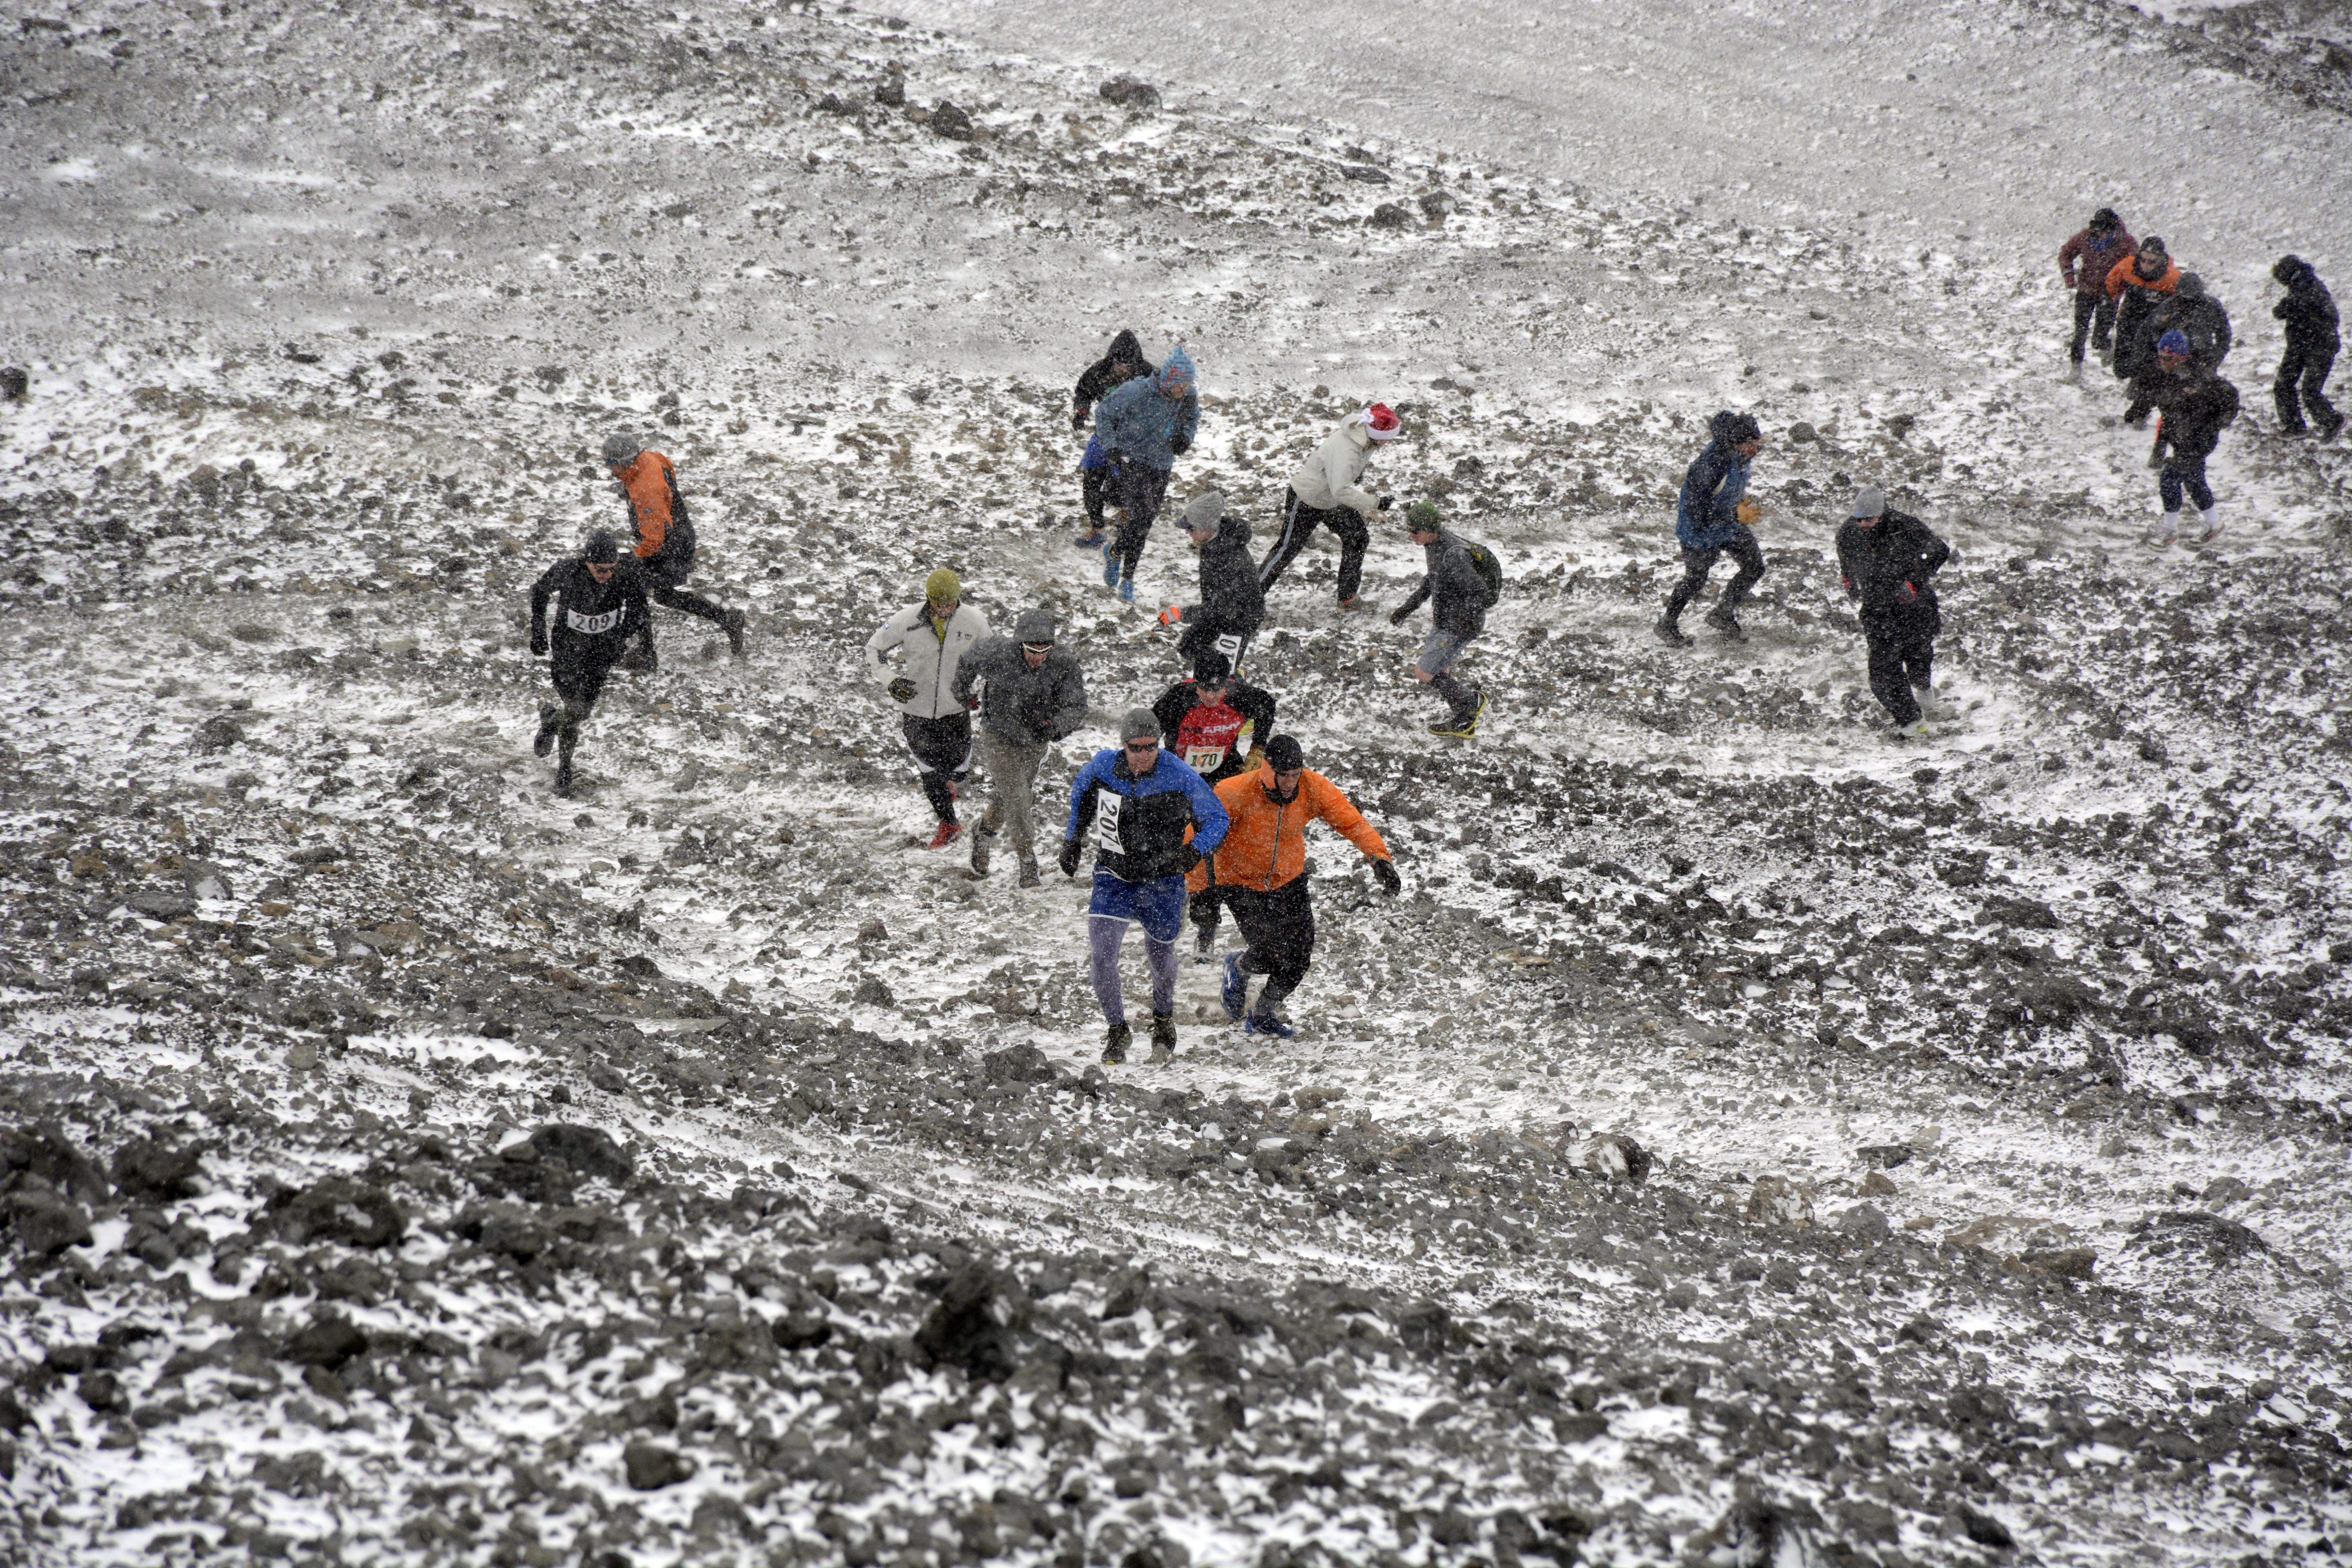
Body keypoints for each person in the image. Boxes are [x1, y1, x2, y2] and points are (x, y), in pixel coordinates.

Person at [1191, 735, 1399, 1039]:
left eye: (1295, 775)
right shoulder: (1234, 792)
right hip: (1240, 882)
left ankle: (1263, 1013)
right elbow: (1195, 838)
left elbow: (1352, 823)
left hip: (1289, 880)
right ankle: (1239, 966)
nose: (1290, 783)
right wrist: (1201, 893)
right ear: (1267, 770)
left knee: (1300, 958)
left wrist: (1379, 859)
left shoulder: (1312, 787)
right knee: (1271, 953)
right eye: (1283, 775)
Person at [1058, 709, 1229, 1065]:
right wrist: (1072, 839)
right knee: (1103, 955)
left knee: (1161, 956)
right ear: (1123, 746)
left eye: (1151, 747)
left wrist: (1192, 854)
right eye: (1136, 748)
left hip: (1162, 879)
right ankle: (1117, 1029)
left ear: (1159, 744)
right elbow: (1080, 790)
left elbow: (1217, 819)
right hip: (1114, 874)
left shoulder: (1180, 774)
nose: (1144, 755)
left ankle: (1164, 1020)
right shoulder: (1104, 766)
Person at [1150, 650, 1278, 960]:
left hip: (1223, 773)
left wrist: (1258, 748)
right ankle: (1172, 903)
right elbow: (1149, 731)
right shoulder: (1176, 700)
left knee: (1212, 848)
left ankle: (1206, 927)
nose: (1210, 696)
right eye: (1204, 689)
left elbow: (1268, 707)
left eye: (1217, 690)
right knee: (1173, 844)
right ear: (1195, 685)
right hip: (1181, 775)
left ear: (1227, 684)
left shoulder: (1242, 697)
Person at [951, 608, 1088, 886]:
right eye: (1030, 650)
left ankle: (984, 831)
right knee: (1018, 796)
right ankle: (1027, 860)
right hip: (998, 733)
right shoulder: (998, 652)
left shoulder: (1063, 663)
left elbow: (1076, 705)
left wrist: (1054, 727)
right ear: (1019, 643)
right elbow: (967, 661)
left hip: (1036, 739)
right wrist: (963, 693)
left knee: (1014, 791)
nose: (1037, 658)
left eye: (1044, 651)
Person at [864, 567, 989, 849]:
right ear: (928, 599)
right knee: (930, 773)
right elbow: (874, 649)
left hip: (956, 709)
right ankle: (949, 823)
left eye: (950, 604)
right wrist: (890, 680)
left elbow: (993, 662)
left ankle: (949, 786)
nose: (944, 610)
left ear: (959, 598)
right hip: (917, 710)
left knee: (958, 771)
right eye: (938, 604)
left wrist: (979, 692)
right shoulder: (906, 620)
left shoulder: (975, 621)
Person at [602, 431, 747, 661]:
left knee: (638, 587)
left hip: (669, 546)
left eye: (611, 463)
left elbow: (654, 541)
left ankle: (646, 654)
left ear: (627, 460)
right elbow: (668, 468)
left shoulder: (645, 492)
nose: (609, 469)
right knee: (660, 593)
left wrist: (631, 557)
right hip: (680, 532)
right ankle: (726, 619)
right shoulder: (651, 458)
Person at [528, 531, 650, 798]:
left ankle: (551, 721)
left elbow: (639, 609)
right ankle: (565, 770)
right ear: (587, 563)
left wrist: (622, 637)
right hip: (567, 648)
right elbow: (540, 591)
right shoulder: (568, 570)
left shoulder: (626, 573)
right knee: (575, 707)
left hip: (601, 651)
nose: (605, 576)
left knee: (581, 713)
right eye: (600, 570)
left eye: (610, 570)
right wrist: (537, 628)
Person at [1257, 403, 1401, 609]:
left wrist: (1356, 477)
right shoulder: (1349, 448)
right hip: (1307, 497)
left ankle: (1348, 598)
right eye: (1387, 438)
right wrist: (1374, 503)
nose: (1389, 443)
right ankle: (1250, 598)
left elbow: (1340, 482)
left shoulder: (1364, 437)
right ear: (1376, 434)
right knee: (1288, 548)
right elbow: (1341, 490)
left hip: (1331, 500)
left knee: (1357, 538)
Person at [1833, 489, 1950, 739]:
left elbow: (1939, 550)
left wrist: (1914, 581)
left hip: (1914, 606)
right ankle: (1910, 720)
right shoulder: (1849, 532)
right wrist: (1848, 579)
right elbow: (1845, 555)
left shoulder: (1904, 526)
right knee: (1883, 670)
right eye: (1860, 520)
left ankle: (1922, 685)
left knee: (1918, 656)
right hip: (1877, 610)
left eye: (1870, 520)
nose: (1864, 525)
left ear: (1882, 515)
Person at [1092, 346, 1201, 604]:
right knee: (1139, 518)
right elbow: (1103, 413)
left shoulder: (1188, 396)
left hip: (1162, 465)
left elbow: (1192, 419)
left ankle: (1115, 553)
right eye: (1180, 385)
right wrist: (1111, 447)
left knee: (1144, 522)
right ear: (1168, 380)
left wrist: (1185, 438)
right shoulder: (1136, 391)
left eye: (1188, 385)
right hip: (1132, 461)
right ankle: (1127, 579)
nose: (1184, 390)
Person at [1657, 410, 1765, 646]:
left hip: (1728, 525)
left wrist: (1741, 500)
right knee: (1696, 579)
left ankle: (1722, 614)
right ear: (1736, 443)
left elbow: (1728, 486)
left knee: (1754, 566)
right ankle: (1667, 624)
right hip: (1699, 531)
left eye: (1757, 444)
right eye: (1749, 444)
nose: (1755, 449)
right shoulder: (1712, 463)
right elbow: (1697, 509)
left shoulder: (1739, 456)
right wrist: (1735, 514)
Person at [1389, 501, 1494, 737]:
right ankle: (1464, 722)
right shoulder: (1434, 544)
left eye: (1414, 531)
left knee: (1424, 672)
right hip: (1445, 621)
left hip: (1458, 625)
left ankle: (1472, 702)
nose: (1411, 536)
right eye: (1408, 530)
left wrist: (1466, 620)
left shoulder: (1452, 554)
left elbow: (1479, 591)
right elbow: (1432, 581)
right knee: (1440, 671)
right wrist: (1407, 609)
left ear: (1429, 529)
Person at [2134, 336, 2240, 549]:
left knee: (2169, 478)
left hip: (2199, 440)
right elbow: (2164, 407)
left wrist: (2216, 423)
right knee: (2194, 481)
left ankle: (2169, 531)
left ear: (2181, 357)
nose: (2164, 362)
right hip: (2181, 438)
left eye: (2169, 358)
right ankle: (2214, 524)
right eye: (2161, 357)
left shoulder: (2202, 378)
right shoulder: (2166, 376)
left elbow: (2230, 397)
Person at [1156, 490, 1265, 674]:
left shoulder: (1231, 557)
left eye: (1192, 529)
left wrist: (1183, 614)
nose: (1188, 533)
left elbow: (1223, 607)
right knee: (1189, 647)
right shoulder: (1213, 542)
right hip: (1217, 612)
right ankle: (1218, 667)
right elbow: (1215, 604)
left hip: (1239, 619)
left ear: (1208, 527)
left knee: (1222, 674)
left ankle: (1232, 675)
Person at [1069, 329, 1156, 549]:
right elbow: (1083, 392)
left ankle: (1127, 515)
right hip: (1104, 434)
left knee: (1128, 480)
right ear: (1112, 360)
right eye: (1120, 365)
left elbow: (1167, 399)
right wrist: (1081, 412)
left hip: (1135, 439)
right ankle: (1097, 528)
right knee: (1092, 479)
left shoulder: (1149, 374)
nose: (1125, 369)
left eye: (1130, 365)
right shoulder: (1100, 371)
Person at [2271, 255, 2343, 442]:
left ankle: (2333, 422)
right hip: (2299, 346)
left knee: (2309, 391)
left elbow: (2332, 319)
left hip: (2320, 348)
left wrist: (2301, 313)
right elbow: (2283, 311)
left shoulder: (2309, 288)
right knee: (2284, 385)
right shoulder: (2299, 287)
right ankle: (2295, 427)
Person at [2058, 209, 2136, 379]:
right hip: (2086, 290)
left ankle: (2107, 345)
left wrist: (2125, 288)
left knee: (2099, 338)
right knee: (2080, 331)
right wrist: (2069, 275)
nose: (2101, 235)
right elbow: (2065, 253)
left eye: (2106, 232)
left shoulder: (2127, 243)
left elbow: (2135, 268)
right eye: (2098, 231)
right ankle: (2076, 367)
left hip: (2110, 295)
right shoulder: (2084, 237)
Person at [2105, 237, 2180, 383]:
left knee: (2147, 366)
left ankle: (2138, 385)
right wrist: (2110, 303)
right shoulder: (2126, 266)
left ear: (2161, 260)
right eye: (2143, 260)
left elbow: (2180, 304)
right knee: (2120, 369)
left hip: (2155, 327)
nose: (2146, 265)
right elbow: (2111, 285)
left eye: (2152, 261)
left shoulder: (2173, 278)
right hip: (2128, 321)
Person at [2141, 274, 2232, 372]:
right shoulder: (2169, 306)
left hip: (2201, 361)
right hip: (2172, 362)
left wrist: (2213, 360)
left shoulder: (2212, 306)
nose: (2189, 304)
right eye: (2184, 299)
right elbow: (2152, 332)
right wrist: (2161, 358)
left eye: (2194, 300)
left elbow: (2224, 336)